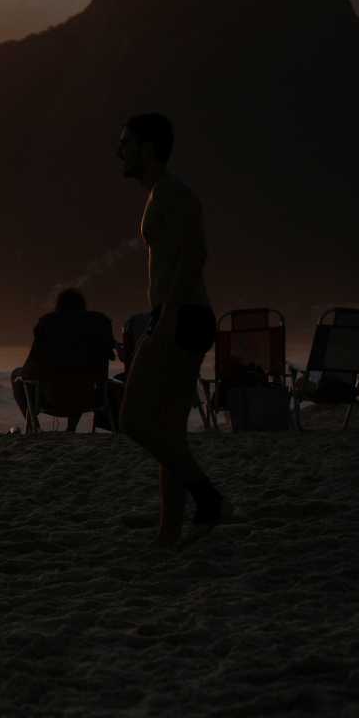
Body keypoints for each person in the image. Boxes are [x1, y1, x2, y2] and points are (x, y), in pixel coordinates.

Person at [117, 112, 228, 545]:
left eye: (126, 142)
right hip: (184, 315)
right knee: (168, 431)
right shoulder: (160, 194)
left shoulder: (173, 193)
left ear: (148, 147)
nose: (119, 150)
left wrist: (165, 321)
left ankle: (208, 497)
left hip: (179, 316)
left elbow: (194, 256)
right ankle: (169, 534)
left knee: (134, 420)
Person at [11, 287, 117, 431]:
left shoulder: (47, 324)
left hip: (53, 399)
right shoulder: (97, 323)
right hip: (88, 399)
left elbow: (32, 366)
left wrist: (22, 376)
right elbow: (109, 356)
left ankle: (34, 426)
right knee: (80, 377)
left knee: (16, 375)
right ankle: (71, 428)